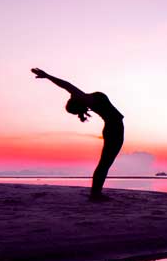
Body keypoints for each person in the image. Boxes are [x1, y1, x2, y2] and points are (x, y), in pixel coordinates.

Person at [31, 68, 124, 201]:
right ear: (77, 101)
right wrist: (47, 76)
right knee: (105, 163)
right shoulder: (85, 98)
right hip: (114, 129)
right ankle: (95, 194)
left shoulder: (87, 99)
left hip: (113, 128)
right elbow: (66, 85)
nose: (71, 95)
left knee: (105, 163)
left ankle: (95, 193)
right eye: (71, 98)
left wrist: (47, 76)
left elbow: (67, 86)